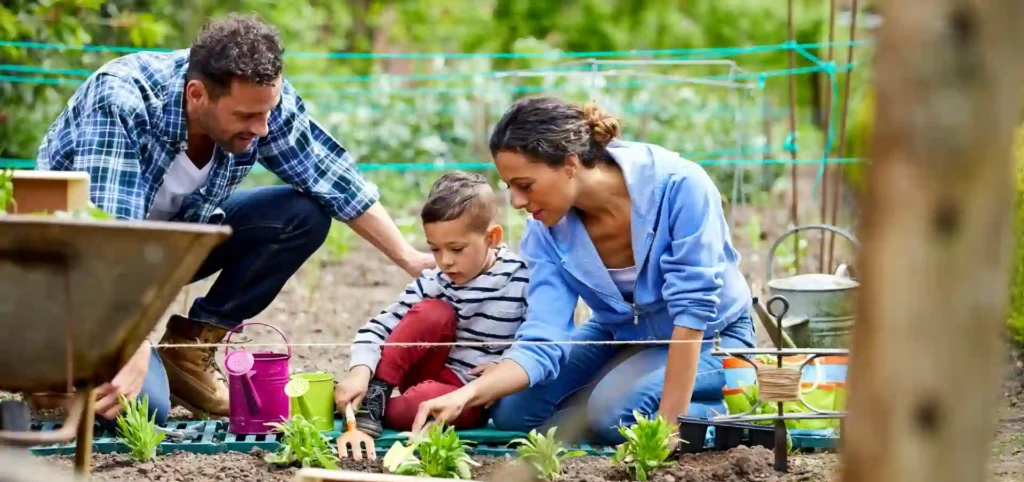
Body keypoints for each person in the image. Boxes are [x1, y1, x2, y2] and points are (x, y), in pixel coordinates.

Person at [33, 13, 434, 425]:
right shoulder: (122, 100)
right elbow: (105, 239)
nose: (261, 129)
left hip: (165, 250)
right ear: (197, 95)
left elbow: (332, 178)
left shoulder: (259, 101)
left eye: (266, 113)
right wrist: (130, 345)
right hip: (70, 272)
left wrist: (409, 257)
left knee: (302, 215)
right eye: (245, 117)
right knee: (144, 408)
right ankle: (49, 364)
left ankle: (186, 354)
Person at [410, 96, 756, 446]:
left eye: (525, 185)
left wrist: (668, 428)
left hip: (713, 337)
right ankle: (613, 394)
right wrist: (469, 394)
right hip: (620, 334)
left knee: (616, 417)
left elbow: (692, 312)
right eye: (509, 187)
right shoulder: (545, 229)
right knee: (512, 412)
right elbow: (544, 332)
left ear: (570, 164)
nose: (515, 202)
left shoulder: (679, 187)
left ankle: (739, 406)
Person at [334, 171, 529, 438]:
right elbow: (378, 329)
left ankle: (367, 408)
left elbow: (537, 339)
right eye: (435, 249)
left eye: (456, 249)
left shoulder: (521, 278)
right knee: (433, 312)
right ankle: (374, 396)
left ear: (492, 238)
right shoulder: (435, 281)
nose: (445, 261)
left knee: (418, 405)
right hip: (427, 370)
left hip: (469, 394)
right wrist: (359, 372)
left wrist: (506, 366)